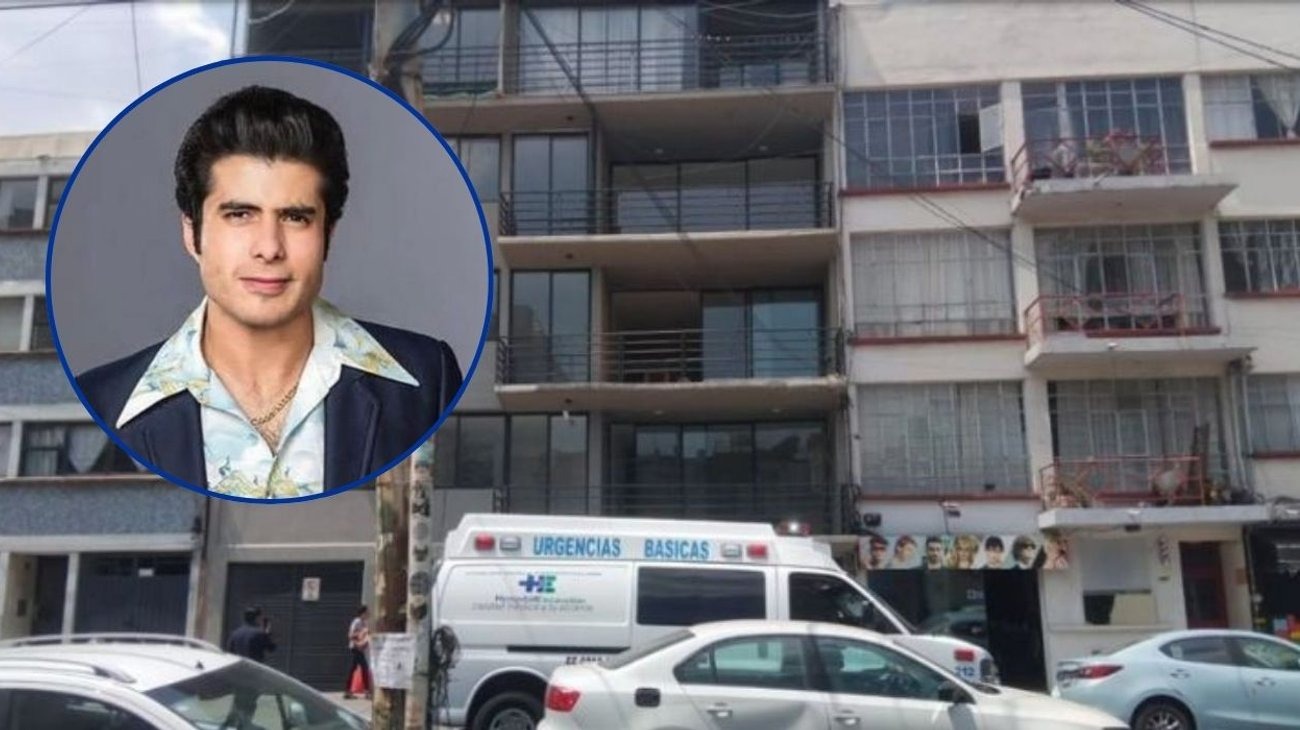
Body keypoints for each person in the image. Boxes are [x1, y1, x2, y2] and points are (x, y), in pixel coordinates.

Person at [76, 85, 464, 498]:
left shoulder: (427, 381)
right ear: (192, 233)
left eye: (295, 218)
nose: (269, 247)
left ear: (327, 234)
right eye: (240, 214)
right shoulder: (103, 401)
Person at [344, 605, 373, 700]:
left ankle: (349, 691)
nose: (368, 614)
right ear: (363, 613)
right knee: (362, 668)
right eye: (367, 612)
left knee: (356, 669)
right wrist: (361, 634)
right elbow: (350, 635)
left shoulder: (364, 623)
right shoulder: (356, 621)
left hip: (360, 649)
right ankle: (365, 691)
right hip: (355, 648)